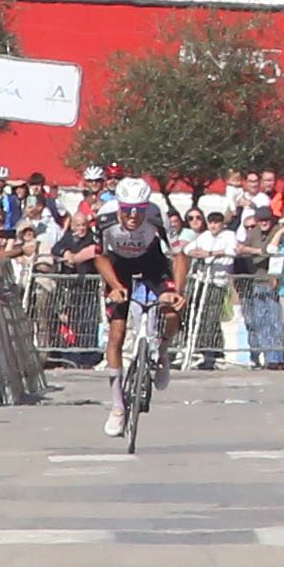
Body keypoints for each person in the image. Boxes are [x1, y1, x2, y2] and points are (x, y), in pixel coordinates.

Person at [93, 176, 177, 434]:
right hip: (119, 266)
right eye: (127, 208)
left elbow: (179, 254)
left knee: (172, 311)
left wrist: (178, 292)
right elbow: (100, 256)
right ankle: (118, 406)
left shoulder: (156, 215)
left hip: (152, 261)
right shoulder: (105, 218)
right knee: (116, 335)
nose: (132, 214)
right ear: (117, 204)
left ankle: (163, 352)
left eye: (139, 209)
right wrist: (115, 286)